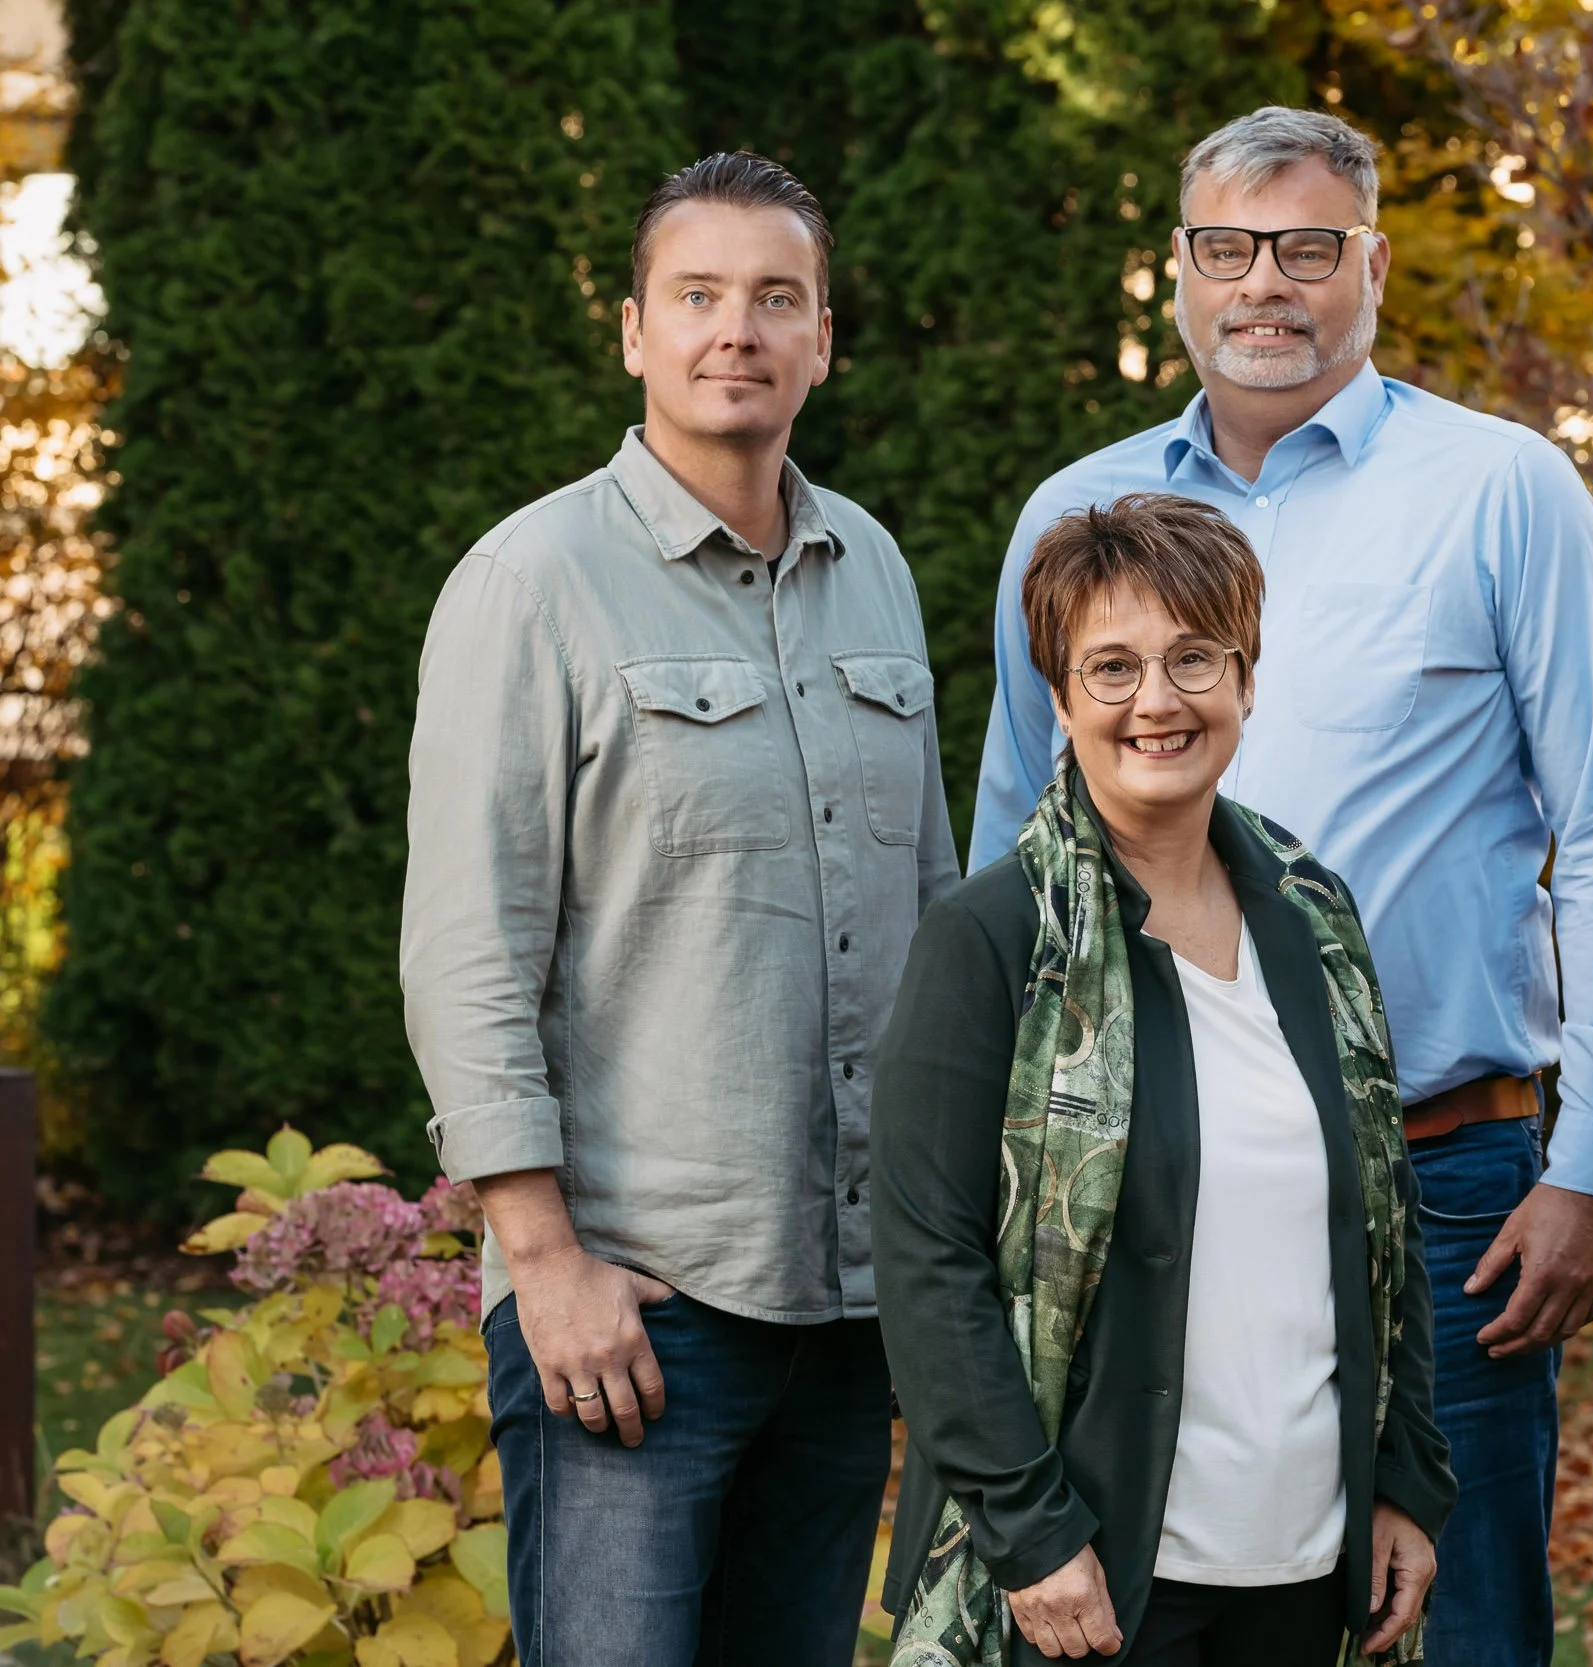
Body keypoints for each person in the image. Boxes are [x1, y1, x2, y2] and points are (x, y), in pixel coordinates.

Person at [969, 107, 1593, 1664]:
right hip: (1133, 1181)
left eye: (1308, 246)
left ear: (1374, 267)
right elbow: (1020, 850)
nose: (1265, 283)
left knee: (1461, 1624)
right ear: (1180, 272)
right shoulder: (1074, 519)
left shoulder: (1502, 489)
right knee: (1166, 1625)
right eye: (1229, 247)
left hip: (1438, 1180)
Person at [401, 152, 956, 1664]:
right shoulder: (532, 580)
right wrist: (544, 1260)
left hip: (847, 1306)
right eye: (698, 295)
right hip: (639, 1306)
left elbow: (926, 903)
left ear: (824, 337)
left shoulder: (876, 570)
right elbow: (466, 945)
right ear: (634, 330)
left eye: (777, 298)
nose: (739, 330)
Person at [875, 492, 1455, 1665]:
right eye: (1113, 666)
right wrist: (1032, 1535)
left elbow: (1385, 1224)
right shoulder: (993, 940)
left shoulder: (1314, 917)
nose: (1157, 700)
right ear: (1059, 695)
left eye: (1195, 658)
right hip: (1093, 1570)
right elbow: (927, 1262)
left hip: (1308, 1562)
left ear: (1245, 678)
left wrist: (1406, 1476)